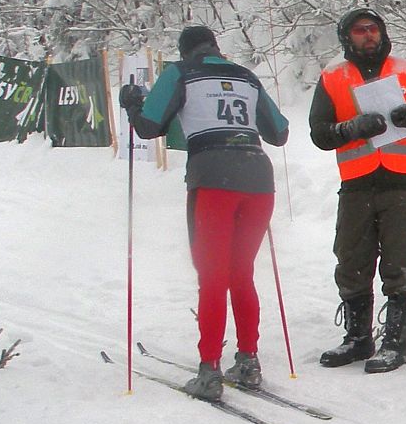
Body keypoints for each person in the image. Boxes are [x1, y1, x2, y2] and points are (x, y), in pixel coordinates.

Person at [120, 25, 290, 400]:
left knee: (212, 275)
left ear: (185, 51)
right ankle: (248, 361)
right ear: (215, 48)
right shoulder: (245, 77)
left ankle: (209, 370)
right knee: (241, 273)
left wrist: (132, 103)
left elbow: (149, 126)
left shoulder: (181, 73)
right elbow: (279, 133)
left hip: (213, 178)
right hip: (258, 179)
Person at [308, 7, 406, 373]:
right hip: (356, 184)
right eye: (360, 30)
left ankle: (396, 344)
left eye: (373, 28)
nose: (369, 35)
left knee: (401, 264)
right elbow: (319, 134)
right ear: (347, 37)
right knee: (352, 262)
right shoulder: (332, 77)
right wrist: (350, 129)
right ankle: (358, 339)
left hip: (405, 183)